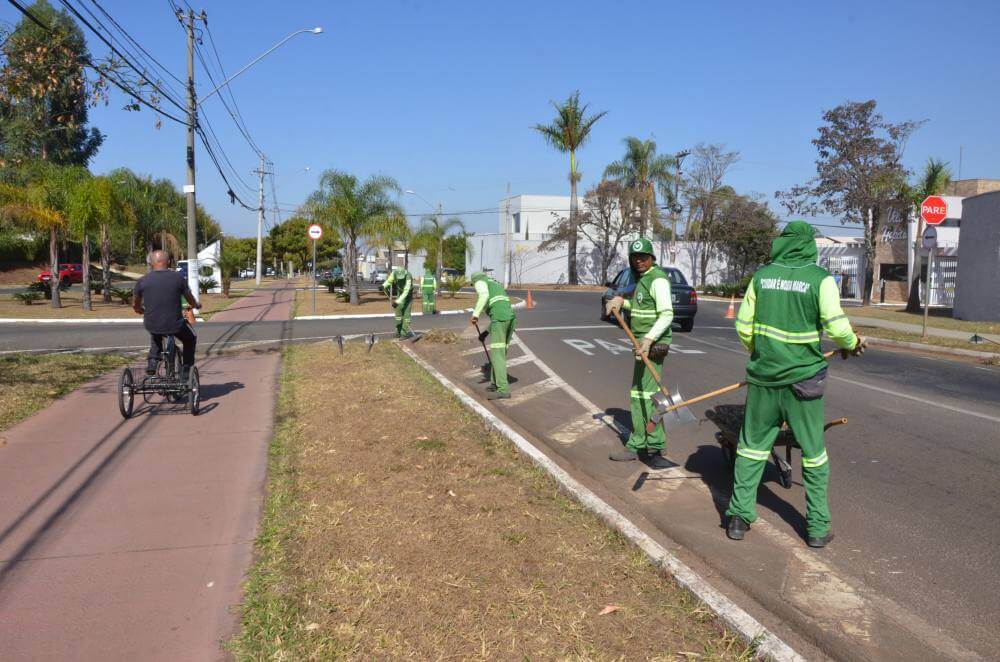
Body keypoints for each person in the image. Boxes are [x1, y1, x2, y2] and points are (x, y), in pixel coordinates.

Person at [725, 221, 866, 548]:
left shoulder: (761, 277)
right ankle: (817, 527)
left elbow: (744, 327)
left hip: (763, 378)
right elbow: (835, 325)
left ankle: (738, 517)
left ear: (781, 243)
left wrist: (762, 354)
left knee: (751, 447)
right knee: (814, 453)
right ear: (809, 245)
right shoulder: (820, 279)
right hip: (804, 382)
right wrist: (852, 341)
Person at [605, 238, 675, 469]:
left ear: (652, 257)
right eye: (635, 258)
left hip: (652, 345)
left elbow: (666, 314)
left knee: (647, 394)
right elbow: (642, 308)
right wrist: (621, 304)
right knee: (640, 393)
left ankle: (648, 445)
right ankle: (646, 442)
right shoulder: (643, 280)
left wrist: (648, 339)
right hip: (642, 344)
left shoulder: (658, 280)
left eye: (643, 257)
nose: (639, 261)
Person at [133, 250, 200, 380]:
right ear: (168, 262)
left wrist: (139, 309)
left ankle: (153, 362)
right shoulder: (178, 278)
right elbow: (189, 298)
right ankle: (186, 369)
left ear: (151, 263)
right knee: (190, 338)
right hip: (175, 324)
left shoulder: (142, 281)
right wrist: (195, 305)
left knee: (156, 333)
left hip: (152, 323)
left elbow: (135, 304)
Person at [470, 271, 516, 400]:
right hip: (509, 319)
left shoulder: (480, 281)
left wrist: (475, 314)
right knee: (500, 353)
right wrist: (485, 333)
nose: (475, 287)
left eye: (474, 284)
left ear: (476, 281)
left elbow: (483, 296)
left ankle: (503, 389)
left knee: (497, 354)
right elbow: (502, 310)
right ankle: (495, 383)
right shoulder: (495, 284)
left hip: (500, 319)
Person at [382, 267, 414, 338]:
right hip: (400, 293)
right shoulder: (394, 273)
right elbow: (389, 281)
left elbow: (406, 291)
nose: (400, 279)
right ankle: (398, 331)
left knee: (406, 314)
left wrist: (397, 302)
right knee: (398, 313)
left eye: (401, 278)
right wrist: (384, 285)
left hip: (408, 295)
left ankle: (404, 333)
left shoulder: (408, 276)